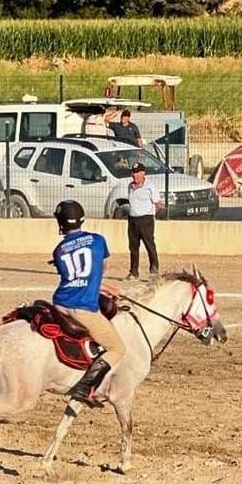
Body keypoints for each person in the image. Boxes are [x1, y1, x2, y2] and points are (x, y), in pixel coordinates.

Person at [51, 200, 125, 408]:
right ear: (82, 219)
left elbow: (74, 279)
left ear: (61, 224)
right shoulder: (98, 240)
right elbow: (97, 270)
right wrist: (102, 286)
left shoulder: (58, 250)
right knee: (118, 349)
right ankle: (85, 387)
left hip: (59, 304)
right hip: (83, 309)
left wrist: (104, 287)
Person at [126, 162, 163, 280]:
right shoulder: (130, 186)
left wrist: (150, 215)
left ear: (143, 173)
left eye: (137, 173)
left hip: (146, 219)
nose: (135, 176)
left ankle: (154, 270)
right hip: (132, 220)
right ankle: (133, 272)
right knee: (133, 247)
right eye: (133, 173)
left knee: (149, 245)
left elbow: (158, 203)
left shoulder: (150, 186)